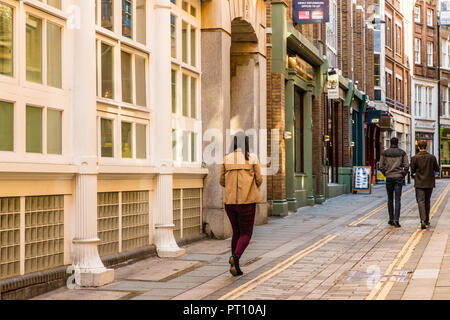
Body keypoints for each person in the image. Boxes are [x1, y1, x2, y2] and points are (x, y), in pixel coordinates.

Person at [219, 134, 263, 276]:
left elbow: (221, 181)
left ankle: (235, 267)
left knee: (236, 233)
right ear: (246, 144)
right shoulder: (252, 158)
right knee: (246, 233)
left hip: (230, 203)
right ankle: (235, 257)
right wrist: (251, 187)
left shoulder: (226, 159)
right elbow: (259, 179)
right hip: (247, 202)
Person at [410, 140, 440, 229]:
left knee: (421, 201)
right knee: (427, 201)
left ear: (418, 147)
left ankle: (422, 220)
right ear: (426, 147)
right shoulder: (432, 157)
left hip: (419, 182)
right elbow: (437, 169)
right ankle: (426, 220)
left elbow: (412, 170)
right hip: (429, 182)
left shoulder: (414, 158)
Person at [379, 137, 409, 228]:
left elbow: (381, 166)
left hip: (389, 178)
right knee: (398, 199)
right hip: (398, 178)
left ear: (390, 143)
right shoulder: (402, 152)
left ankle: (391, 219)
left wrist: (386, 173)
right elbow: (407, 166)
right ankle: (396, 220)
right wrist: (402, 174)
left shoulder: (385, 153)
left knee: (390, 199)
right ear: (398, 143)